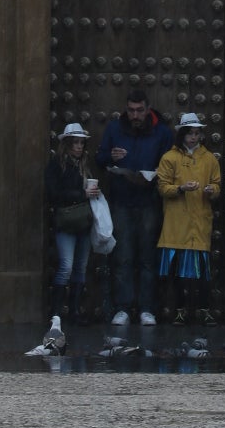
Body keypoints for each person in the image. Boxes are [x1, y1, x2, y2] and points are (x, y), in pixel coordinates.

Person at [96, 84, 175, 327]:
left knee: (148, 257)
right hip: (122, 200)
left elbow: (170, 162)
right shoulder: (115, 129)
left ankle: (147, 308)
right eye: (131, 110)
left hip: (149, 201)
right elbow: (100, 158)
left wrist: (152, 175)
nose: (135, 115)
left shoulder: (161, 132)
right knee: (123, 256)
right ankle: (123, 308)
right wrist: (112, 158)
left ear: (147, 109)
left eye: (139, 110)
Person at [156, 112, 221, 324]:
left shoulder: (209, 158)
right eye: (190, 133)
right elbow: (163, 187)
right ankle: (180, 310)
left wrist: (213, 189)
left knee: (202, 273)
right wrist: (181, 188)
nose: (194, 137)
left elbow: (217, 184)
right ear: (182, 135)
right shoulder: (170, 158)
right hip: (177, 223)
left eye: (197, 133)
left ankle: (204, 309)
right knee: (177, 275)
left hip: (199, 221)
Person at [44, 121, 99, 322]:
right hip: (66, 223)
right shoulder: (56, 165)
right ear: (66, 144)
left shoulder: (85, 166)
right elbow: (54, 193)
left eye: (81, 143)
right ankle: (56, 312)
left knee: (80, 267)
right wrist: (81, 193)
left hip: (83, 223)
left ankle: (75, 311)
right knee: (66, 266)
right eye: (75, 143)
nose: (79, 146)